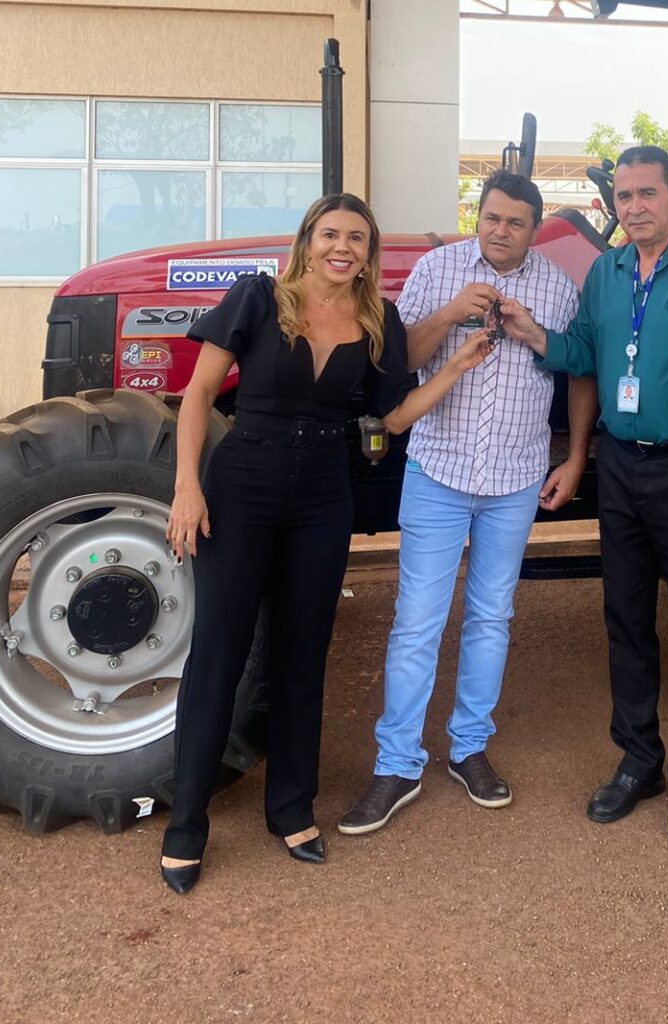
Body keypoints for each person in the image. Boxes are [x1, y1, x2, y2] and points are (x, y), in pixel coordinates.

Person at [159, 192, 489, 894]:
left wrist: (455, 372)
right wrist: (187, 486)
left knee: (304, 656)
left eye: (358, 239)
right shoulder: (256, 298)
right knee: (218, 652)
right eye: (332, 234)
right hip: (241, 486)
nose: (344, 248)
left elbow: (391, 415)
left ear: (368, 255)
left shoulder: (378, 323)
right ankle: (186, 822)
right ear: (309, 240)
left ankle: (290, 809)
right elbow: (198, 396)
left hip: (321, 498)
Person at [500, 147, 668, 846]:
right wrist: (533, 335)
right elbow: (581, 352)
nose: (635, 206)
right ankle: (639, 759)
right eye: (625, 196)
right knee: (626, 619)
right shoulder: (608, 275)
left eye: (648, 193)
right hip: (619, 467)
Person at [338, 170, 595, 835]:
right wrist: (451, 312)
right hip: (439, 473)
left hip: (514, 479)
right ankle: (397, 763)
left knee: (491, 618)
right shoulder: (436, 269)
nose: (500, 230)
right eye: (491, 217)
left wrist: (573, 457)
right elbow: (399, 364)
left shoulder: (557, 288)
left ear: (535, 230)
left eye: (515, 222)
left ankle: (469, 749)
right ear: (475, 217)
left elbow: (577, 372)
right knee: (417, 622)